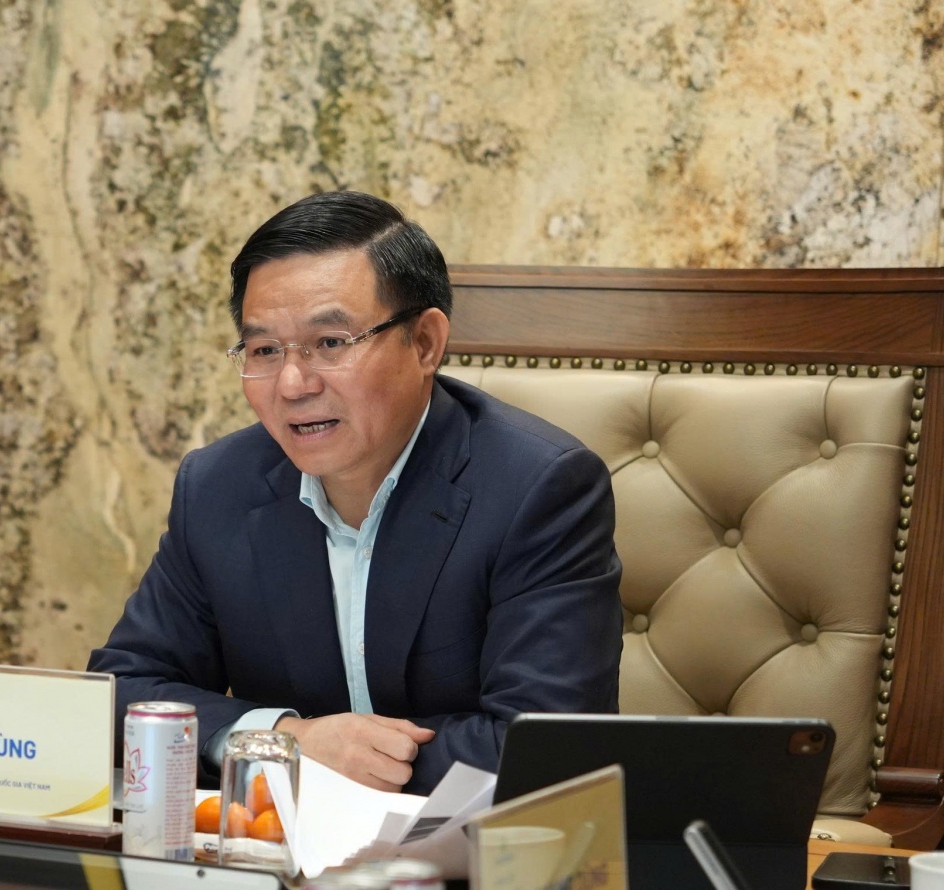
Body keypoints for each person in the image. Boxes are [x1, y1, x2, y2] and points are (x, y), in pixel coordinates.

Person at [88, 191, 621, 795]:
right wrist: (286, 741)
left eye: (331, 343)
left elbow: (546, 749)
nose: (293, 384)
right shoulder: (218, 486)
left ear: (425, 343)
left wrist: (345, 763)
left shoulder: (539, 488)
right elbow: (122, 695)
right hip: (278, 843)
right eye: (265, 350)